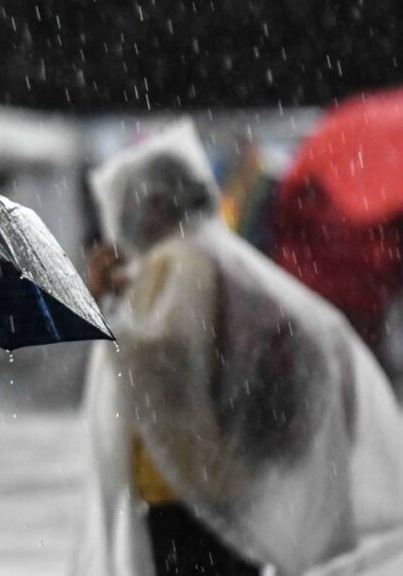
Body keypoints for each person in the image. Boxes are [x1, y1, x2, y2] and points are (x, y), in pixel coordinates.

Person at [74, 120, 403, 576]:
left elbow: (167, 350)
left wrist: (109, 304)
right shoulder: (197, 257)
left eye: (136, 199)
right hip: (202, 473)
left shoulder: (182, 260)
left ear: (157, 203)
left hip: (188, 479)